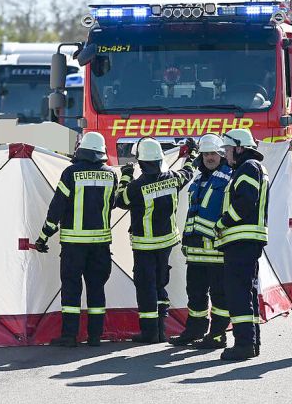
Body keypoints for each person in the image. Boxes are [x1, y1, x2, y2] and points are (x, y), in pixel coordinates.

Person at [34, 132, 117, 347]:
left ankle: (69, 336)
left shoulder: (71, 173)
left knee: (72, 288)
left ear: (82, 150)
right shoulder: (111, 175)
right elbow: (113, 203)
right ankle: (95, 336)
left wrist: (43, 237)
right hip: (101, 245)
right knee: (97, 288)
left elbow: (57, 208)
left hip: (74, 245)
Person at [116, 137, 197, 343]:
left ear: (141, 162)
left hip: (145, 245)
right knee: (160, 286)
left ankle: (150, 333)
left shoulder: (137, 186)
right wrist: (191, 155)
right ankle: (161, 330)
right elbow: (188, 173)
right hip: (168, 243)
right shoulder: (174, 178)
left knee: (146, 288)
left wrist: (125, 176)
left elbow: (120, 200)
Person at [169, 133, 232, 349]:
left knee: (219, 296)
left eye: (213, 153)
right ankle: (195, 330)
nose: (209, 157)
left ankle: (217, 334)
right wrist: (187, 241)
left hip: (217, 249)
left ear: (222, 154)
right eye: (205, 154)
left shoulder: (228, 177)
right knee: (195, 294)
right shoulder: (198, 179)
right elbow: (192, 215)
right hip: (196, 251)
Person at [215, 128, 269, 361]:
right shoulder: (251, 168)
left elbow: (246, 200)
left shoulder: (248, 168)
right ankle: (251, 343)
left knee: (237, 294)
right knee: (246, 292)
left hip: (241, 240)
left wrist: (223, 222)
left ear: (239, 148)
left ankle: (244, 345)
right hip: (246, 241)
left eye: (227, 149)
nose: (225, 155)